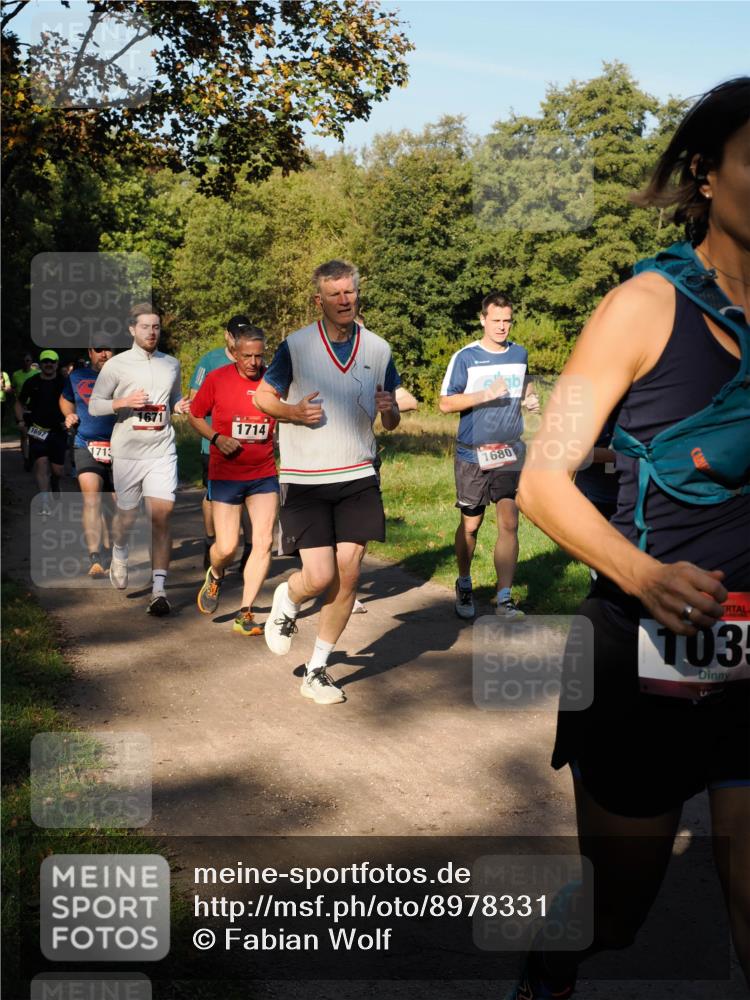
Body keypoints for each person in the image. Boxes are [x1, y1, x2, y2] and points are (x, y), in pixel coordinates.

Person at [510, 78, 750, 999]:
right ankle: (552, 957)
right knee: (615, 911)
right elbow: (540, 481)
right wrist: (645, 577)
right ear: (706, 172)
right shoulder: (642, 306)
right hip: (641, 652)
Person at [255, 259, 401, 704]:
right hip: (306, 478)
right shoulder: (295, 346)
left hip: (358, 473)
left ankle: (317, 670)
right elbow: (263, 396)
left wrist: (388, 408)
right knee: (318, 576)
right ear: (319, 300)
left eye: (350, 292)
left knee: (349, 573)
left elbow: (391, 419)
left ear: (358, 294)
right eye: (335, 294)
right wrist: (294, 413)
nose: (344, 300)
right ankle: (289, 596)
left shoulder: (378, 349)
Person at [439, 292, 540, 620]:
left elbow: (524, 385)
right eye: (495, 320)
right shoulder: (466, 357)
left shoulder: (520, 353)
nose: (502, 327)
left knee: (509, 521)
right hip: (472, 453)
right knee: (471, 525)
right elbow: (445, 403)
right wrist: (484, 394)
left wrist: (530, 398)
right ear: (483, 319)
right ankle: (465, 582)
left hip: (509, 450)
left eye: (507, 321)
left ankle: (504, 597)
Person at [88, 304, 190, 615]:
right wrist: (123, 401)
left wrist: (179, 406)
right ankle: (119, 551)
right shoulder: (116, 366)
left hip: (161, 451)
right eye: (145, 327)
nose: (151, 332)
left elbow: (172, 400)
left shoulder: (171, 364)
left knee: (161, 516)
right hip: (128, 453)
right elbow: (95, 406)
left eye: (156, 326)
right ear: (132, 330)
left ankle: (159, 591)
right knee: (127, 518)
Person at [189, 325, 278, 635]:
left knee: (264, 541)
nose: (254, 363)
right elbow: (195, 415)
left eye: (259, 356)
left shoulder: (274, 378)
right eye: (247, 356)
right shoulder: (217, 379)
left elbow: (284, 411)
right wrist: (216, 438)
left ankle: (246, 611)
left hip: (263, 473)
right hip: (226, 474)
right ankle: (215, 574)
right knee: (227, 548)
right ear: (235, 354)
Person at [189, 315, 254, 572]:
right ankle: (211, 540)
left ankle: (250, 548)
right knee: (214, 497)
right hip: (214, 443)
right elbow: (194, 400)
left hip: (249, 445)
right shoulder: (210, 361)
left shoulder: (256, 362)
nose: (239, 340)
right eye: (235, 335)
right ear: (227, 336)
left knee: (251, 497)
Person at [59, 344, 117, 577]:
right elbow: (65, 399)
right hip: (86, 444)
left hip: (118, 447)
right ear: (90, 353)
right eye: (99, 350)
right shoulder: (78, 376)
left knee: (113, 506)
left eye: (108, 350)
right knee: (92, 498)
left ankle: (112, 549)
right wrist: (68, 414)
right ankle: (95, 557)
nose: (104, 354)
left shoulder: (123, 374)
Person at [15, 350, 66, 515]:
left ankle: (55, 481)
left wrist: (72, 418)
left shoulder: (64, 382)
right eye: (45, 362)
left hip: (59, 430)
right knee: (41, 463)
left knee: (57, 470)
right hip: (37, 430)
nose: (49, 364)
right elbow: (19, 403)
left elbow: (76, 401)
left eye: (52, 362)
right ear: (41, 364)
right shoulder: (32, 382)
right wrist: (21, 421)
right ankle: (45, 503)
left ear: (57, 364)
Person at [12, 353, 39, 469]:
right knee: (23, 434)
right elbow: (13, 389)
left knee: (34, 434)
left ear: (31, 361)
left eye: (28, 360)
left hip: (34, 407)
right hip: (22, 407)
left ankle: (32, 456)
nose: (26, 363)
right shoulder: (16, 374)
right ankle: (26, 459)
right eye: (24, 361)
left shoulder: (36, 374)